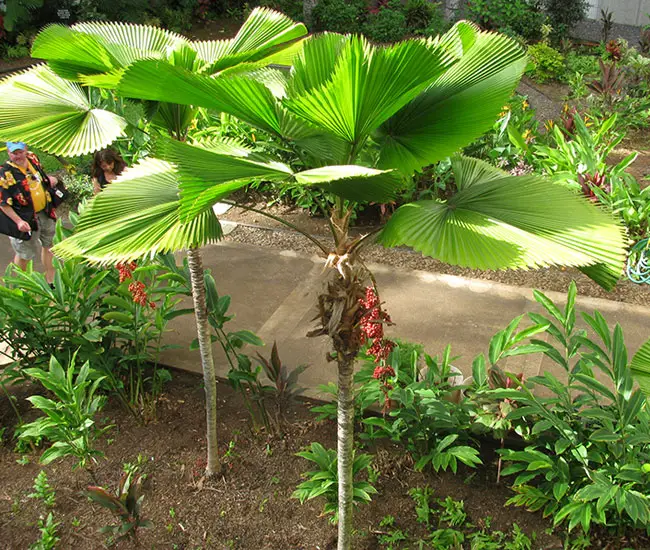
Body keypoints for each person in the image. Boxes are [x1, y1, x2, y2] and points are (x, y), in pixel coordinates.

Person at [0, 142, 60, 283]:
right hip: (24, 218)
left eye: (20, 152)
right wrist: (18, 221)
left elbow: (41, 176)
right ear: (8, 153)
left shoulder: (33, 159)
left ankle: (51, 281)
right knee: (24, 254)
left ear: (26, 150)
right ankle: (22, 285)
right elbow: (3, 203)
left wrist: (49, 180)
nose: (18, 156)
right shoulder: (5, 173)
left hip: (45, 212)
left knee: (49, 245)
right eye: (14, 153)